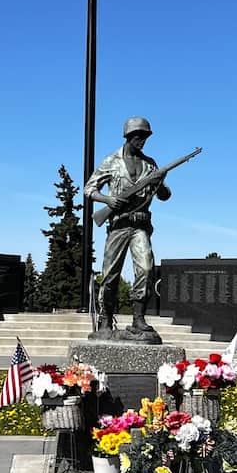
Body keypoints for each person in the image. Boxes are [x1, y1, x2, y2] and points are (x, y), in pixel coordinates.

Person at [84, 116, 171, 343]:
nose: (142, 140)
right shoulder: (111, 161)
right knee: (110, 274)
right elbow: (88, 189)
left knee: (146, 268)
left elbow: (165, 196)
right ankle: (105, 320)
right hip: (118, 225)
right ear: (129, 136)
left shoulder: (150, 164)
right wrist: (107, 200)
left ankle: (138, 318)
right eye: (138, 136)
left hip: (141, 225)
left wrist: (160, 182)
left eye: (145, 136)